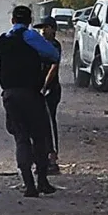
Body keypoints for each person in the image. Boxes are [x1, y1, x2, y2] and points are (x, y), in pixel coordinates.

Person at [0, 6, 61, 197]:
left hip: (9, 95)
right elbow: (53, 55)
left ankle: (28, 184)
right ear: (30, 20)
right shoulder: (31, 37)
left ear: (12, 20)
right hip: (31, 93)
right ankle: (42, 180)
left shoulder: (2, 40)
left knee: (21, 138)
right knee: (39, 137)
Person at [33, 16, 62, 175]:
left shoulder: (54, 46)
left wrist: (44, 85)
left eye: (46, 27)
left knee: (50, 122)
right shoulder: (39, 46)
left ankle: (52, 158)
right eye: (41, 28)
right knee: (38, 124)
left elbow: (54, 67)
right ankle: (40, 158)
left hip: (51, 89)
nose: (43, 31)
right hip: (39, 89)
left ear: (53, 29)